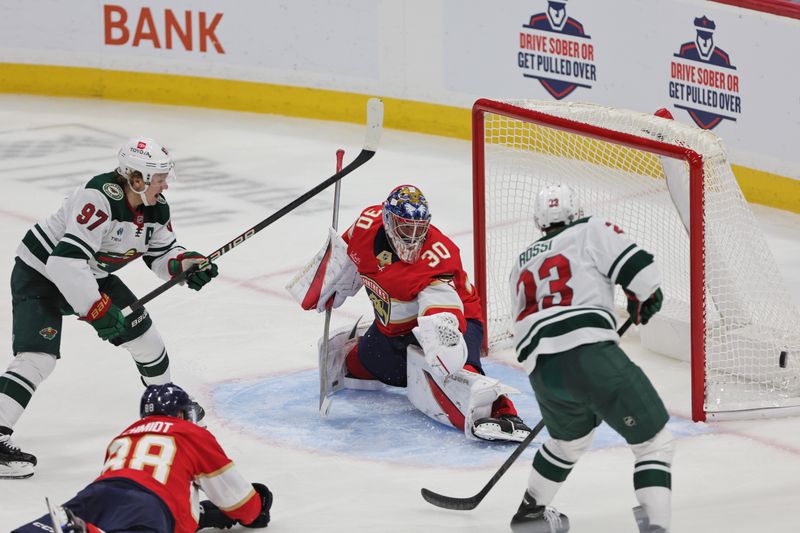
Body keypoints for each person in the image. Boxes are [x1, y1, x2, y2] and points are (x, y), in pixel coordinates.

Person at [0, 137, 219, 479]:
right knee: (37, 358)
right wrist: (97, 309)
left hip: (90, 273)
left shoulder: (157, 207)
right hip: (39, 273)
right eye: (158, 176)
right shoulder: (98, 197)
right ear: (135, 179)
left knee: (147, 339)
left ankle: (164, 412)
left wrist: (185, 264)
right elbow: (63, 263)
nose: (165, 183)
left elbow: (161, 253)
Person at [288, 184, 531, 442]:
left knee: (459, 374)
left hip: (459, 319)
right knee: (361, 366)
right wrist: (325, 282)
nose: (414, 238)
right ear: (388, 221)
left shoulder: (437, 257)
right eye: (406, 228)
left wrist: (443, 345)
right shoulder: (365, 227)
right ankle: (368, 345)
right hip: (395, 327)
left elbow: (443, 307)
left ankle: (504, 413)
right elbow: (344, 255)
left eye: (420, 229)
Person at [507, 184, 674, 533]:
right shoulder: (590, 228)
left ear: (540, 223)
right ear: (575, 211)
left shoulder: (520, 264)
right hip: (590, 353)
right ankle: (657, 527)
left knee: (568, 442)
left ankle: (531, 515)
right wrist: (644, 299)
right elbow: (642, 275)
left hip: (543, 371)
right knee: (653, 443)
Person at [12, 383, 272, 533]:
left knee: (48, 527)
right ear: (180, 414)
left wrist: (206, 515)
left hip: (97, 493)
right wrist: (257, 507)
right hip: (149, 504)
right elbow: (239, 501)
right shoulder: (190, 433)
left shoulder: (124, 436)